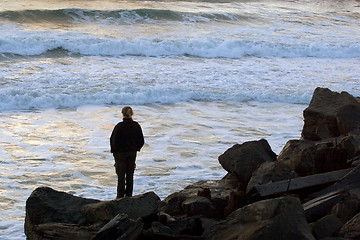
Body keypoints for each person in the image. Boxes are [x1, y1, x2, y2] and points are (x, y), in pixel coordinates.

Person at [110, 106, 144, 199]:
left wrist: (115, 152)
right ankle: (129, 197)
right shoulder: (136, 125)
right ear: (131, 114)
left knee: (121, 176)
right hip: (132, 152)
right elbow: (141, 140)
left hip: (120, 153)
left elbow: (113, 140)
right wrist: (136, 148)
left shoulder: (119, 126)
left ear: (122, 114)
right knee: (130, 175)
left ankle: (120, 197)